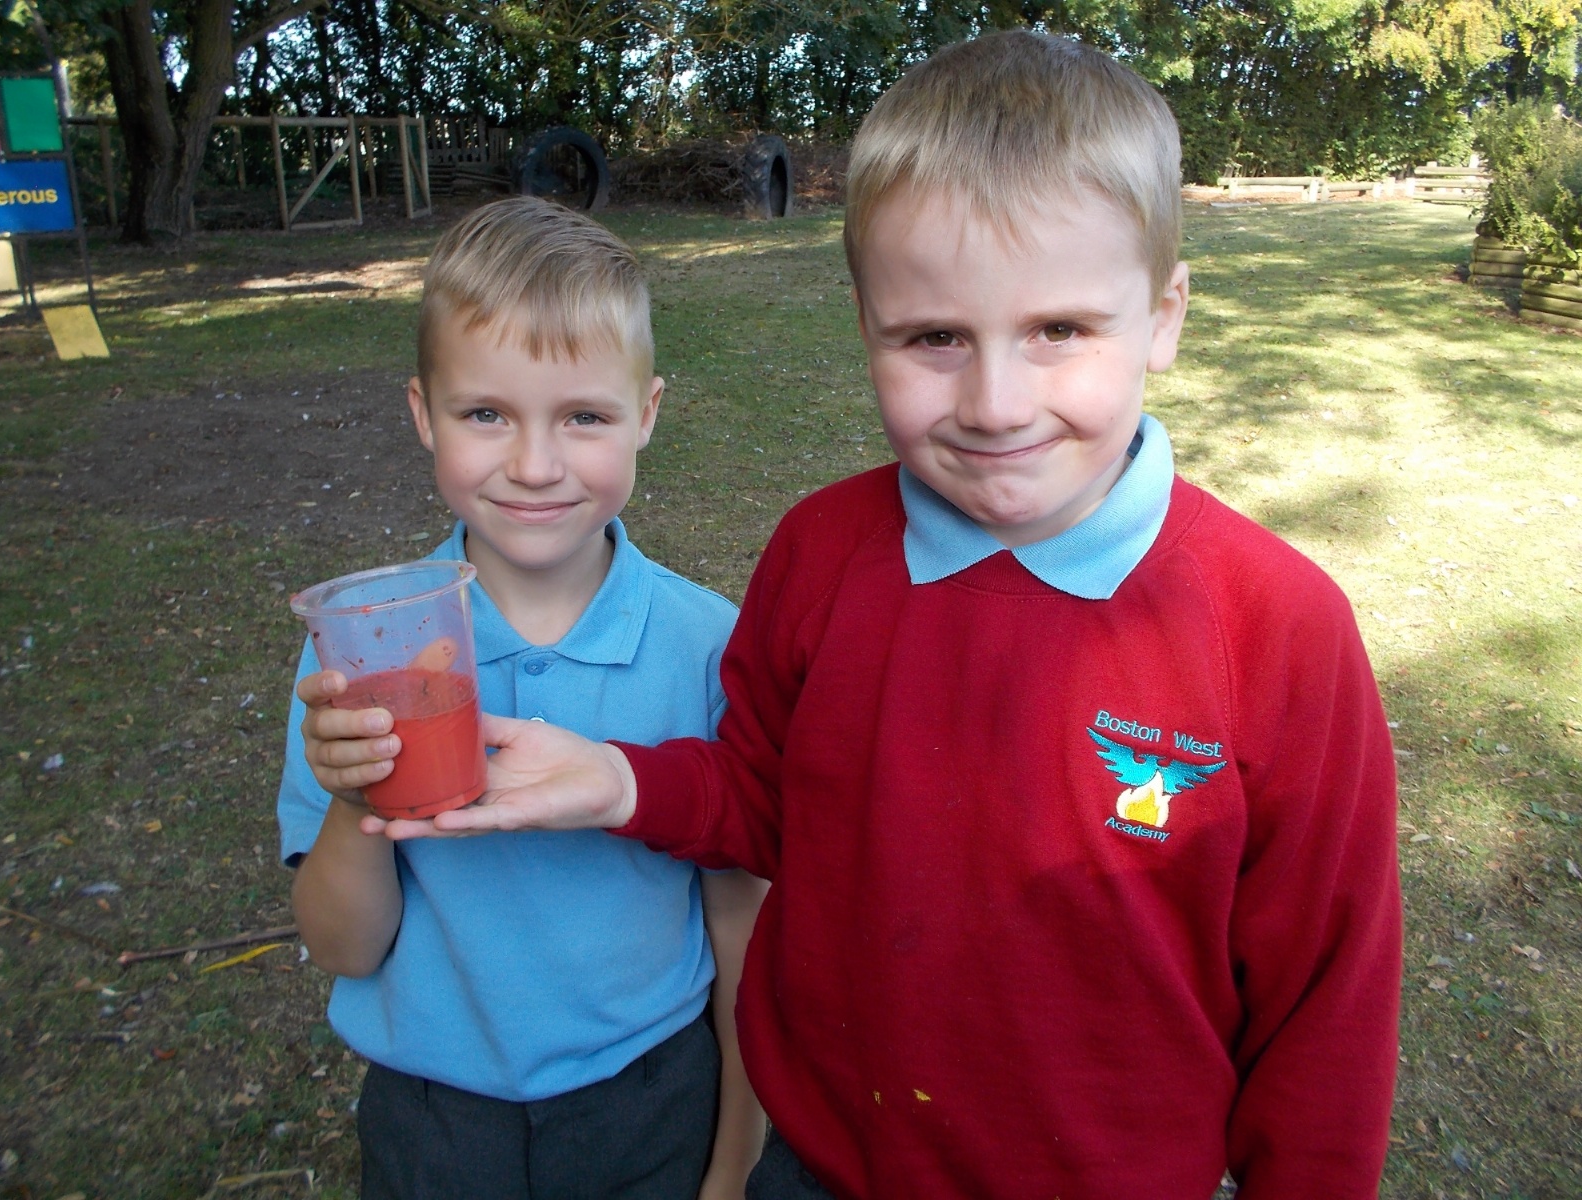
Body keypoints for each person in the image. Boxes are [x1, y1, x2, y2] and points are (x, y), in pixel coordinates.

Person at [308, 32, 1403, 1200]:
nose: (994, 403)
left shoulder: (1276, 628)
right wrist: (621, 783)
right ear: (867, 319)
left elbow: (1326, 1000)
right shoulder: (822, 556)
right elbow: (770, 805)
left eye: (1060, 331)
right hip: (822, 1166)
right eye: (934, 337)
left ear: (1165, 314)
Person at [278, 196, 769, 1200]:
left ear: (647, 413)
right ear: (424, 413)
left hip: (654, 1100)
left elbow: (740, 921)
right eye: (485, 414)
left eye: (584, 416)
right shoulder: (362, 660)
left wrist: (733, 1158)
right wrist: (354, 794)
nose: (535, 466)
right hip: (433, 1120)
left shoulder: (708, 647)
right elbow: (342, 945)